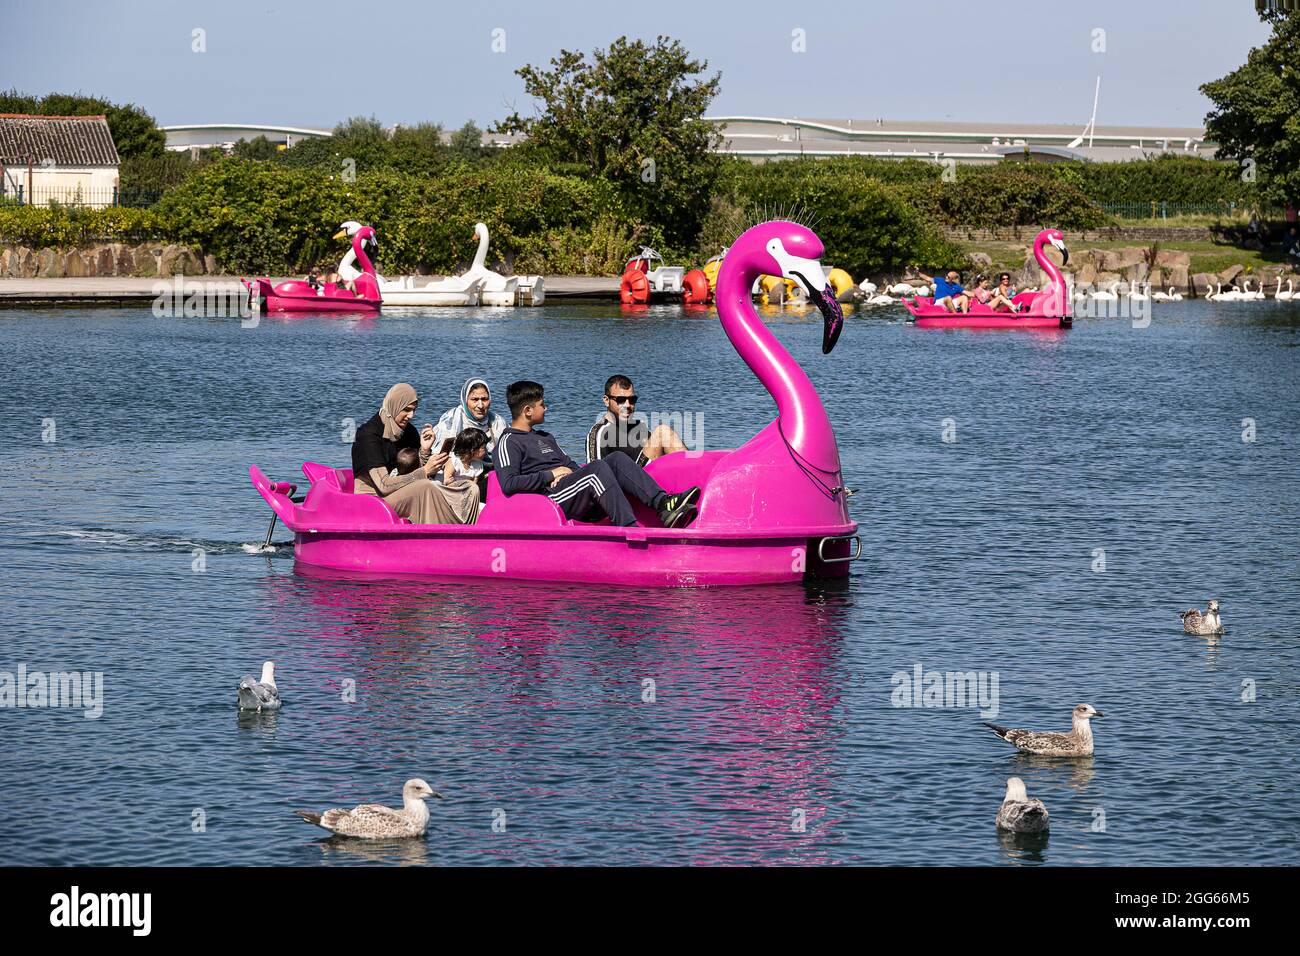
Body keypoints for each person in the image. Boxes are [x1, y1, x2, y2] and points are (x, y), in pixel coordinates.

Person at [495, 380, 700, 528]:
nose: (546, 408)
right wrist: (551, 475)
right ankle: (630, 529)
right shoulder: (508, 441)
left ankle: (663, 504)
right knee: (597, 468)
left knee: (617, 459)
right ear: (528, 411)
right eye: (542, 405)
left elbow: (572, 465)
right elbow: (509, 484)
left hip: (571, 491)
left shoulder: (545, 437)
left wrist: (568, 473)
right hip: (549, 499)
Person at [350, 383, 480, 525]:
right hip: (374, 501)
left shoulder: (408, 431)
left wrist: (424, 452)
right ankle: (443, 534)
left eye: (414, 410)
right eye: (406, 410)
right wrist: (425, 470)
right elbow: (383, 485)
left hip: (401, 492)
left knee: (470, 488)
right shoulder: (368, 435)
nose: (411, 416)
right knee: (425, 488)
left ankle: (466, 533)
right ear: (394, 406)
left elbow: (411, 472)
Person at [585, 374, 688, 465]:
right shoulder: (599, 433)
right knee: (663, 432)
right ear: (606, 401)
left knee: (666, 435)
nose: (627, 405)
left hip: (653, 479)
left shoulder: (639, 427)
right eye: (621, 400)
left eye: (632, 400)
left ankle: (696, 476)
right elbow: (594, 473)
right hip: (630, 483)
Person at [433, 378, 506, 477]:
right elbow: (439, 458)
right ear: (465, 400)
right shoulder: (451, 420)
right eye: (475, 399)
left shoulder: (497, 422)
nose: (480, 405)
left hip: (491, 475)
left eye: (484, 399)